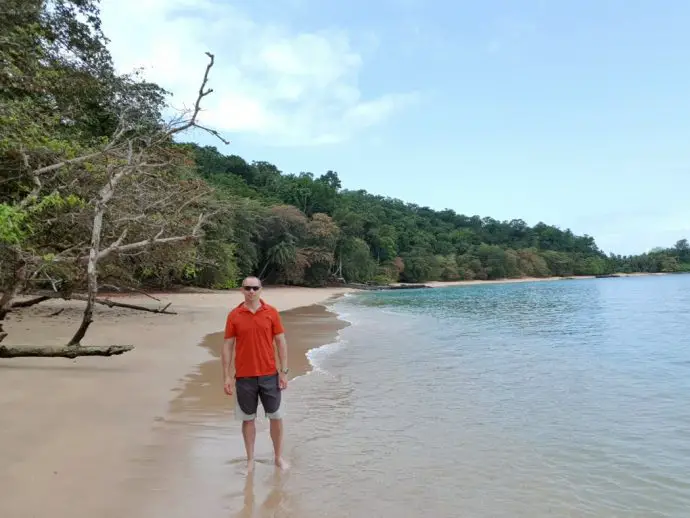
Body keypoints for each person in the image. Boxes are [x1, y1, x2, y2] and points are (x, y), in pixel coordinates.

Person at [221, 276, 290, 472]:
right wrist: (226, 376)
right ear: (241, 290)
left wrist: (283, 372)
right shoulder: (234, 315)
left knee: (276, 417)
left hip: (269, 374)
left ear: (261, 290)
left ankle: (278, 457)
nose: (251, 292)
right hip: (244, 377)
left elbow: (281, 342)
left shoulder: (272, 313)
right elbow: (227, 346)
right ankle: (250, 460)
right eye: (247, 288)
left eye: (255, 288)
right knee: (247, 418)